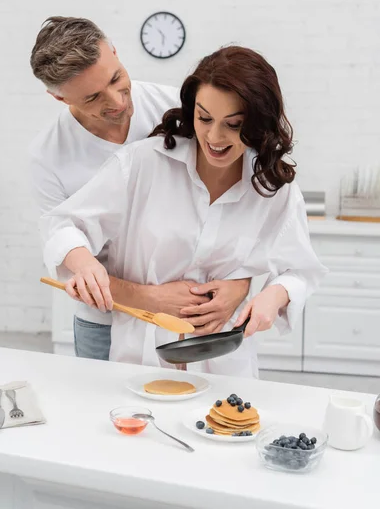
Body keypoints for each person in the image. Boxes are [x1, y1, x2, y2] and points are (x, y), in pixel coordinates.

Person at [41, 45, 327, 377]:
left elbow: (301, 270)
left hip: (224, 363)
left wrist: (272, 297)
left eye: (233, 125)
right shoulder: (144, 163)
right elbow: (62, 224)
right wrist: (84, 262)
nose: (215, 137)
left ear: (259, 123)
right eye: (204, 118)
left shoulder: (272, 187)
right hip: (139, 358)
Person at [29, 17, 250, 361]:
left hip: (192, 311)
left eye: (117, 78)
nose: (117, 100)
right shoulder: (48, 156)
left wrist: (242, 283)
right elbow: (60, 236)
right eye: (92, 97)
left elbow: (235, 198)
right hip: (102, 321)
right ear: (58, 97)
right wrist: (143, 294)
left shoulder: (179, 111)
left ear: (114, 51)